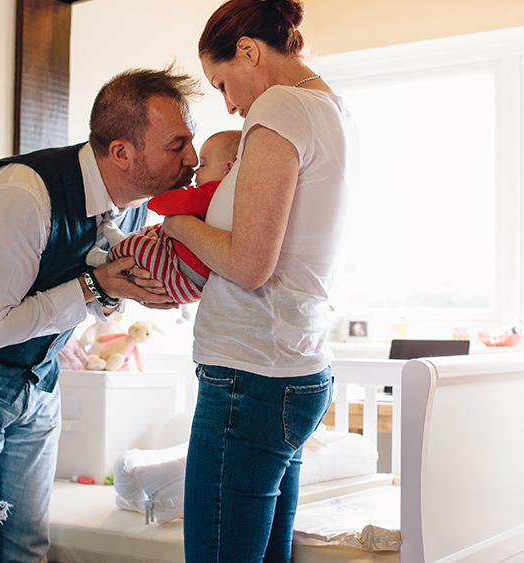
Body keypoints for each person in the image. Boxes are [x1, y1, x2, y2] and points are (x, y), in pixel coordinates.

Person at [0, 67, 200, 563]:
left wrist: (116, 294)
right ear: (122, 153)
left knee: (27, 547)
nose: (192, 159)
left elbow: (89, 298)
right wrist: (95, 285)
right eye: (177, 145)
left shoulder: (131, 207)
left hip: (38, 379)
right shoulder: (25, 193)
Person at [162, 1, 360, 561]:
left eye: (223, 82)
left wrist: (178, 224)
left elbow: (250, 264)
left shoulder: (279, 107)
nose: (229, 104)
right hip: (294, 368)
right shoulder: (334, 110)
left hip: (248, 377)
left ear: (249, 50)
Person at [96, 129, 241, 305]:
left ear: (229, 169)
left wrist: (155, 195)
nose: (195, 170)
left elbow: (169, 203)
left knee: (140, 246)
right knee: (154, 231)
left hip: (184, 276)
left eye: (203, 165)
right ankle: (121, 242)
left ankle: (105, 258)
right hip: (191, 285)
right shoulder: (238, 199)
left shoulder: (215, 191)